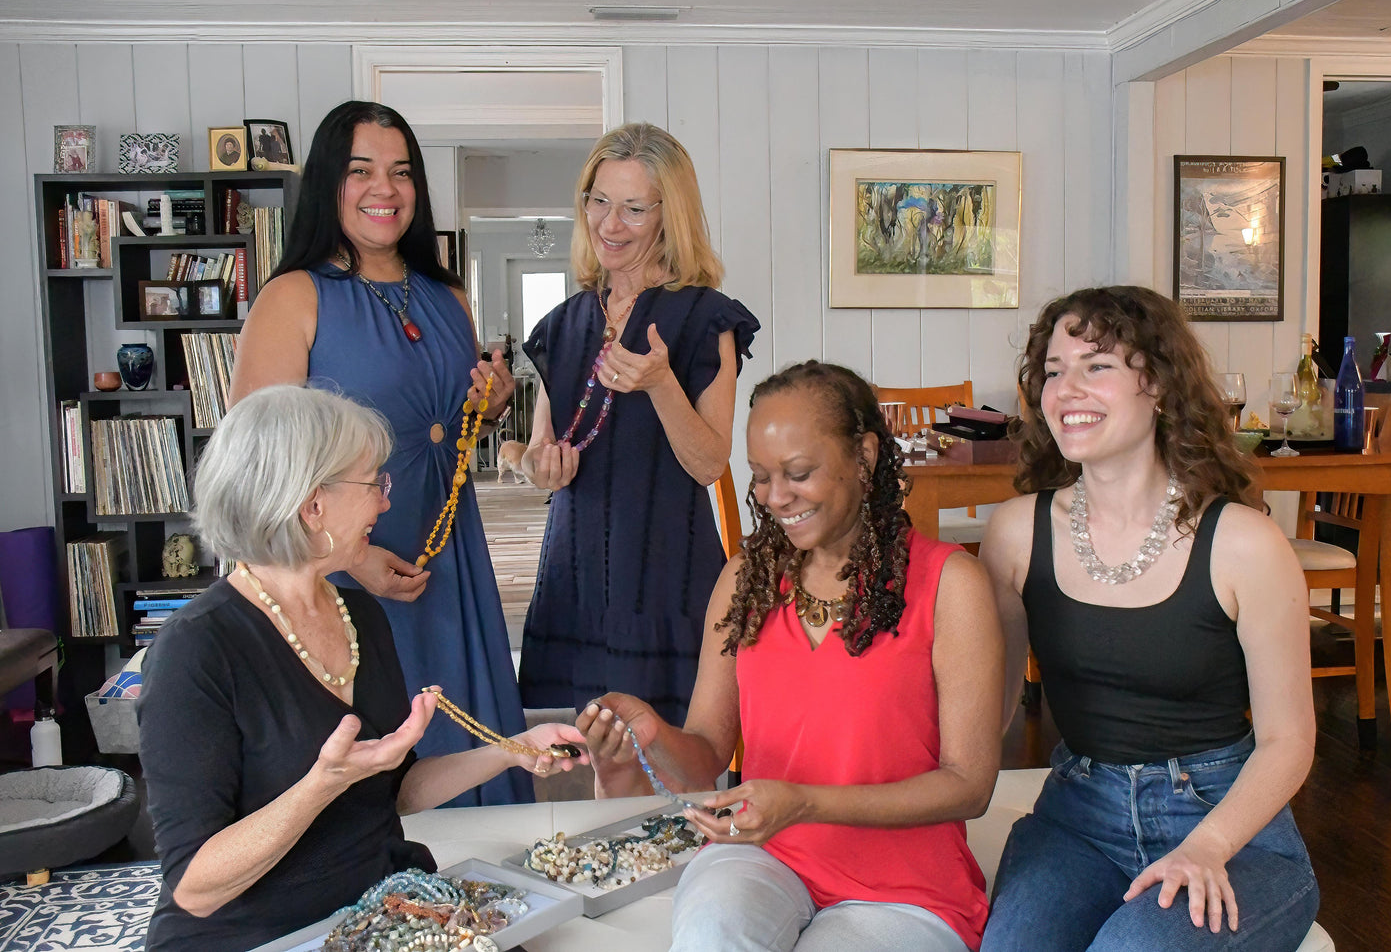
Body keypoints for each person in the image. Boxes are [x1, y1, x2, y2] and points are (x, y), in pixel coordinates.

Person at [138, 385, 588, 952]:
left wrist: (513, 747)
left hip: (378, 910)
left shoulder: (360, 616)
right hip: (256, 933)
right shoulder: (195, 651)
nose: (385, 503)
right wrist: (321, 785)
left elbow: (396, 790)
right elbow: (195, 889)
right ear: (311, 504)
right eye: (374, 482)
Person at [578, 362, 1004, 952]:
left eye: (799, 474)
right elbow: (704, 758)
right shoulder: (744, 581)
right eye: (759, 477)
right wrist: (651, 733)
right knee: (710, 937)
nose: (776, 498)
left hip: (903, 887)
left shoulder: (950, 584)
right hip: (763, 854)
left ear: (865, 457)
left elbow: (969, 785)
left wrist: (804, 802)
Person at [978, 286, 1318, 951]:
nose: (1066, 389)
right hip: (1078, 811)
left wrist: (1209, 844)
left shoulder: (1244, 543)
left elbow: (1289, 739)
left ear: (1157, 383)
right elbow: (988, 711)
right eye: (1052, 371)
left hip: (1226, 820)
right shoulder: (1015, 532)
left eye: (1096, 365)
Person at [230, 100, 527, 805]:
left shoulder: (446, 295)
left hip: (448, 558)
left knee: (470, 740)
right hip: (345, 573)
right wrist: (352, 556)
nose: (383, 189)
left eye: (400, 172)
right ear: (329, 183)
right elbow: (255, 463)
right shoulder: (293, 297)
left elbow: (446, 428)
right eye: (360, 171)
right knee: (378, 766)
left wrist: (489, 404)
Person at [518, 122, 760, 726]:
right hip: (572, 574)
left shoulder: (706, 318)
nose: (609, 224)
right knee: (572, 758)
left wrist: (660, 384)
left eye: (632, 209)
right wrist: (537, 467)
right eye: (599, 202)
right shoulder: (561, 324)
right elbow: (539, 454)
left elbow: (708, 464)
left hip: (665, 574)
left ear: (667, 217)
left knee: (672, 763)